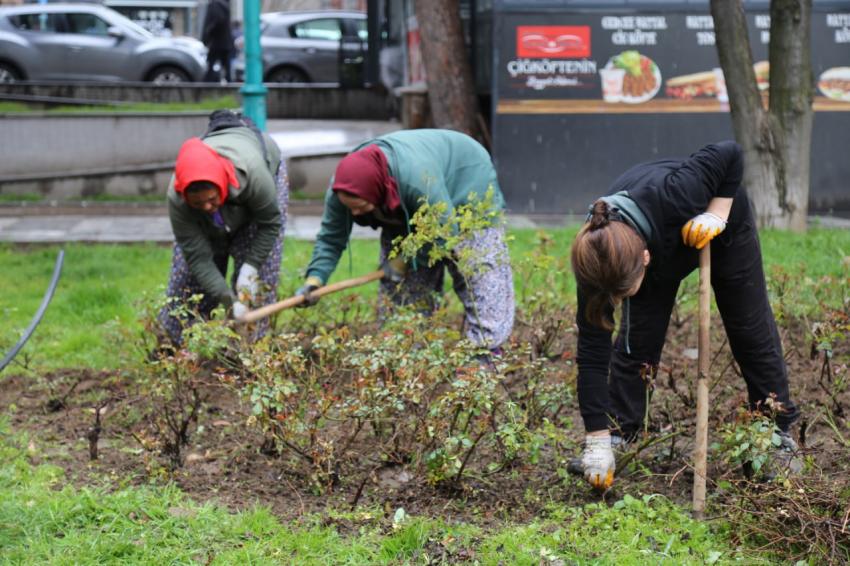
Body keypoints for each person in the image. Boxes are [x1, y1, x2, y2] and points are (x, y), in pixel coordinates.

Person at [569, 140, 800, 490]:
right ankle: (617, 434)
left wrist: (717, 213)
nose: (615, 302)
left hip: (719, 226)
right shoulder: (595, 257)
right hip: (647, 238)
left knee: (748, 328)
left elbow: (730, 153)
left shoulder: (679, 192)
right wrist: (595, 438)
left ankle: (777, 434)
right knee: (638, 336)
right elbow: (591, 353)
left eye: (623, 293)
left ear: (645, 259)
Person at [295, 129, 515, 355]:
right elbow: (331, 237)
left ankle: (486, 354)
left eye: (360, 208)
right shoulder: (343, 190)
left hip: (466, 184)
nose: (354, 213)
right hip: (402, 204)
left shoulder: (417, 180)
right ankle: (405, 354)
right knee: (402, 290)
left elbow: (445, 230)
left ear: (377, 190)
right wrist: (315, 279)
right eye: (350, 208)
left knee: (478, 275)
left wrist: (404, 260)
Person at [158, 112, 288, 345]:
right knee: (187, 279)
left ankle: (249, 352)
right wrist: (229, 300)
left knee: (258, 281)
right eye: (197, 203)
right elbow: (197, 257)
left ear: (221, 186)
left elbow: (270, 224)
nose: (207, 207)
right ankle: (176, 349)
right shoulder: (177, 197)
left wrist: (251, 267)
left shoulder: (254, 175)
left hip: (258, 175)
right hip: (226, 188)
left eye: (211, 199)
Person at [201, 0, 232, 82]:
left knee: (211, 65)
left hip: (216, 42)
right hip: (225, 42)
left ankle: (207, 86)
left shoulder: (215, 4)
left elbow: (217, 20)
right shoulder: (225, 5)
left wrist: (208, 33)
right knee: (226, 67)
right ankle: (230, 85)